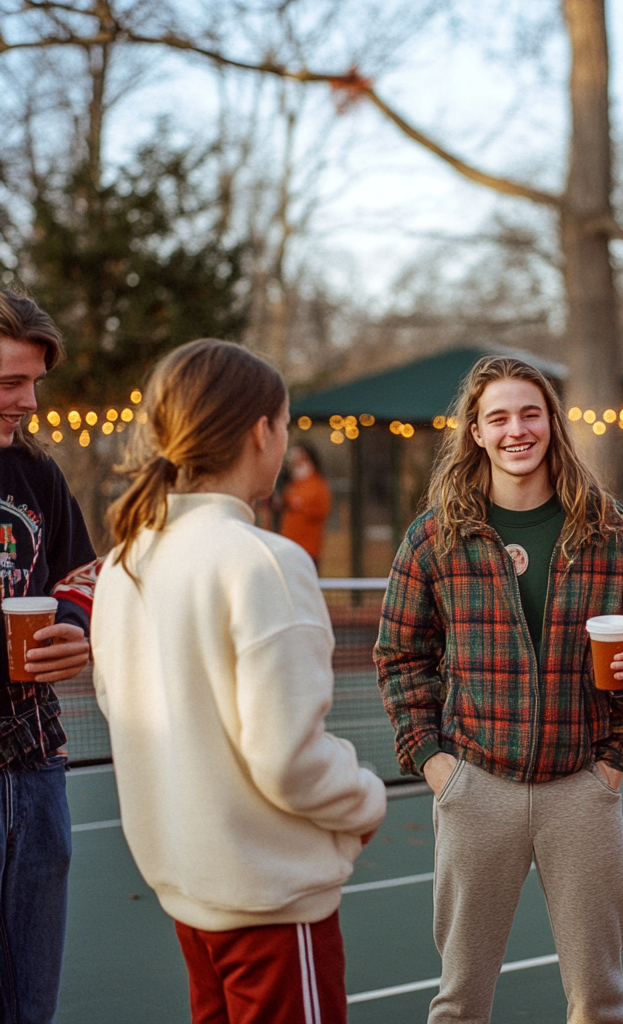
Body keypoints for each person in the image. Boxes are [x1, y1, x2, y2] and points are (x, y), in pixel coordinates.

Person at [91, 339, 386, 1024]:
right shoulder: (264, 562)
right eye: (283, 424)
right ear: (262, 431)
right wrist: (364, 800)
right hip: (269, 902)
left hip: (189, 891)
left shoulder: (122, 562)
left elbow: (121, 708)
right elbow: (287, 759)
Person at [374, 356, 623, 1024]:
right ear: (475, 432)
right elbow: (400, 655)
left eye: (529, 413)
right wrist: (435, 763)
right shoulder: (435, 537)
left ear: (552, 423)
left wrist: (616, 755)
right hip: (476, 786)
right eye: (498, 417)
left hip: (583, 790)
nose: (517, 430)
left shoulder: (613, 530)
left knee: (602, 1000)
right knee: (460, 1003)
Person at [0, 290, 94, 1024]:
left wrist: (73, 627)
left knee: (31, 1004)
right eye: (9, 383)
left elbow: (81, 579)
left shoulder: (39, 474)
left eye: (34, 382)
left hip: (35, 767)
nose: (29, 401)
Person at [279, 443, 331, 569]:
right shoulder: (293, 484)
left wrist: (299, 505)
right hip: (289, 545)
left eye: (301, 458)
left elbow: (321, 511)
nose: (296, 462)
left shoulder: (317, 484)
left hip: (308, 549)